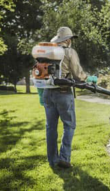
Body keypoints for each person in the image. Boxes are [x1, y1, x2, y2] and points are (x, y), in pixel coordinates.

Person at [38, 27, 97, 168]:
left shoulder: (47, 53)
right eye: (70, 38)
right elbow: (78, 74)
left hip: (47, 92)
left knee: (50, 128)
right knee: (69, 125)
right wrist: (90, 78)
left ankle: (53, 160)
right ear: (67, 40)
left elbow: (38, 74)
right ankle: (64, 158)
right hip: (63, 93)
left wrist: (41, 94)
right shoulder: (69, 52)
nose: (71, 41)